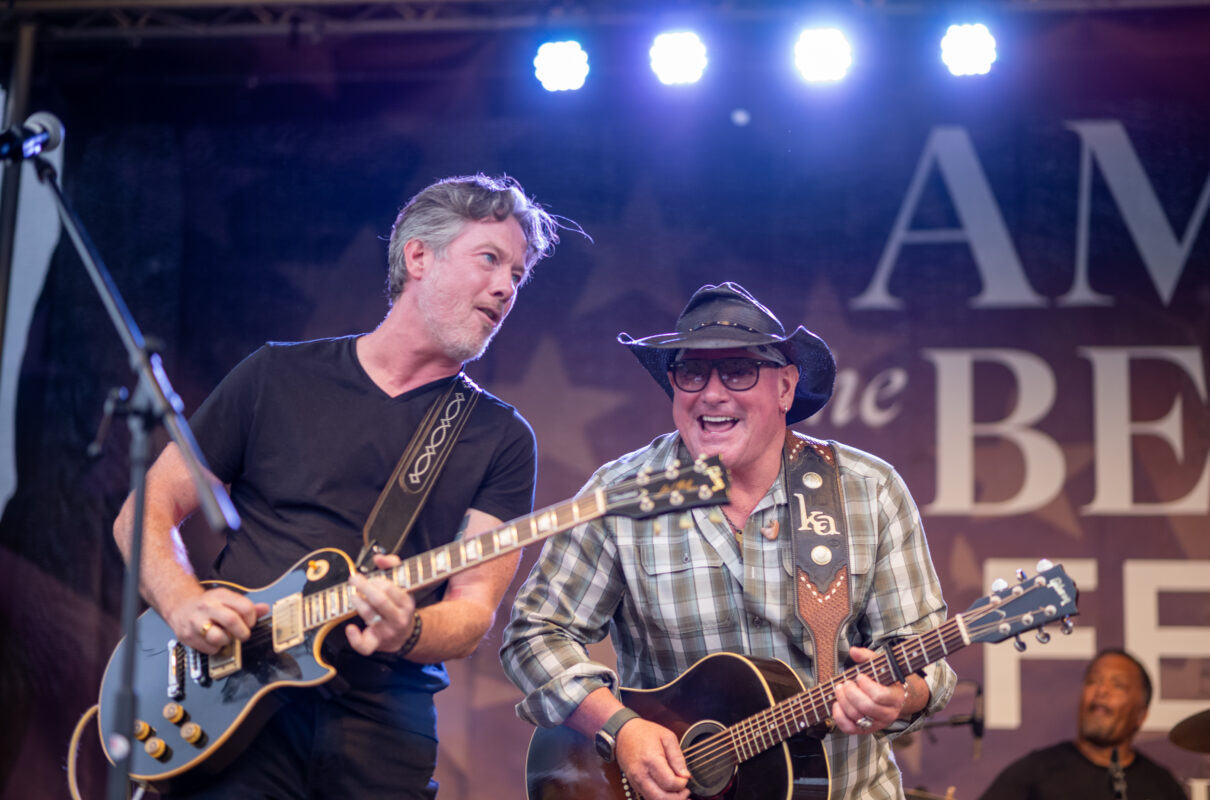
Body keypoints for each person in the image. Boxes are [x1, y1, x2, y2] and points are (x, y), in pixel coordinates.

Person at [112, 174, 562, 799]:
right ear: (418, 257)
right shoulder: (276, 374)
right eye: (490, 259)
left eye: (517, 274)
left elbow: (472, 608)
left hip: (382, 724)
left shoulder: (501, 437)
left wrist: (409, 631)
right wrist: (182, 601)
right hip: (231, 698)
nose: (506, 288)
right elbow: (147, 510)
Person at [501, 282, 957, 800]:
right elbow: (534, 634)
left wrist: (900, 695)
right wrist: (620, 727)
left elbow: (926, 667)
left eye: (738, 370)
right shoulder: (620, 495)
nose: (712, 393)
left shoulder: (867, 491)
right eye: (691, 371)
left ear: (786, 387)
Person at [977, 649, 1187, 800]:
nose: (1101, 691)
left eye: (1118, 685)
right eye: (1093, 681)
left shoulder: (1162, 787)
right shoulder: (1035, 772)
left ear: (1141, 715)